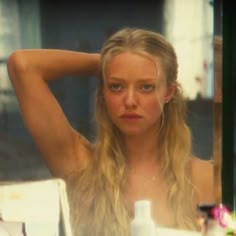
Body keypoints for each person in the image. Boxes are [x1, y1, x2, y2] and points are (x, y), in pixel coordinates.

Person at [7, 27, 214, 235]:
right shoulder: (81, 167)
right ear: (103, 92)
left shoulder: (203, 178)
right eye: (116, 86)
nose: (130, 101)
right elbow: (23, 65)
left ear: (168, 92)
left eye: (146, 87)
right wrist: (108, 62)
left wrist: (122, 65)